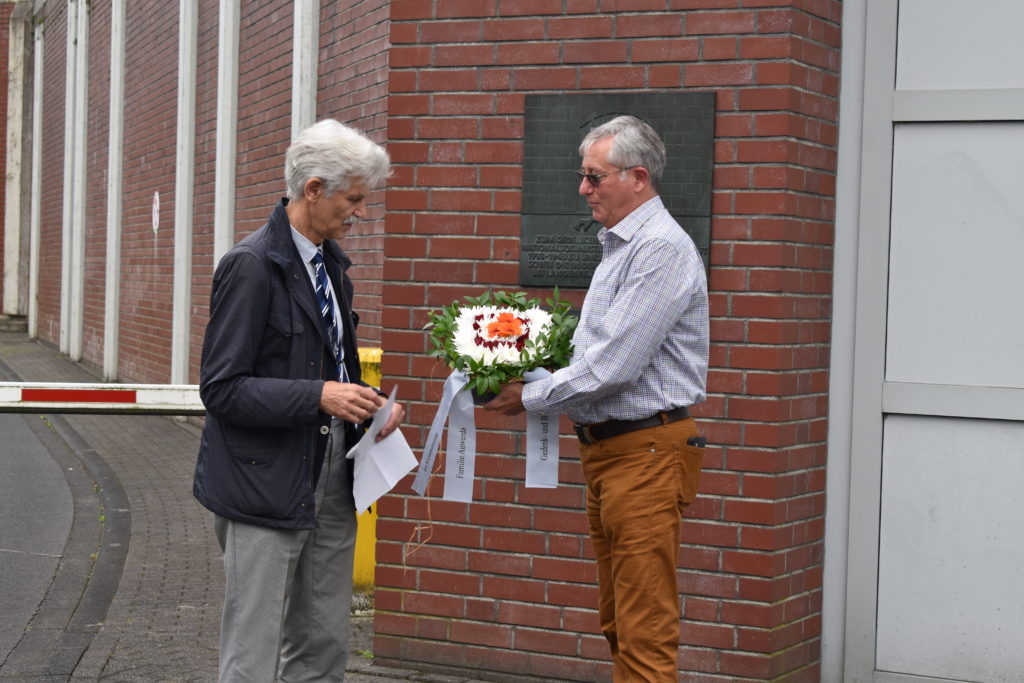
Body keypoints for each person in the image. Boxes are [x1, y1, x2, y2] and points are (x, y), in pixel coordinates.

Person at [485, 115, 709, 681]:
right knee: (618, 620)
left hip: (646, 455)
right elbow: (597, 353)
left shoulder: (659, 249)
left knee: (642, 630)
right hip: (616, 455)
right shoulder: (621, 246)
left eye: (593, 177)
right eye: (582, 175)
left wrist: (529, 394)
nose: (582, 189)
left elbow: (613, 367)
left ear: (637, 178)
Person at [192, 118, 404, 682]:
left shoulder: (332, 264)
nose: (361, 212)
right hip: (263, 485)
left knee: (323, 644)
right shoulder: (251, 265)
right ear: (314, 189)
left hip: (332, 479)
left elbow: (329, 362)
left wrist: (370, 404)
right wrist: (320, 396)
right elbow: (220, 388)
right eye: (354, 198)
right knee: (253, 652)